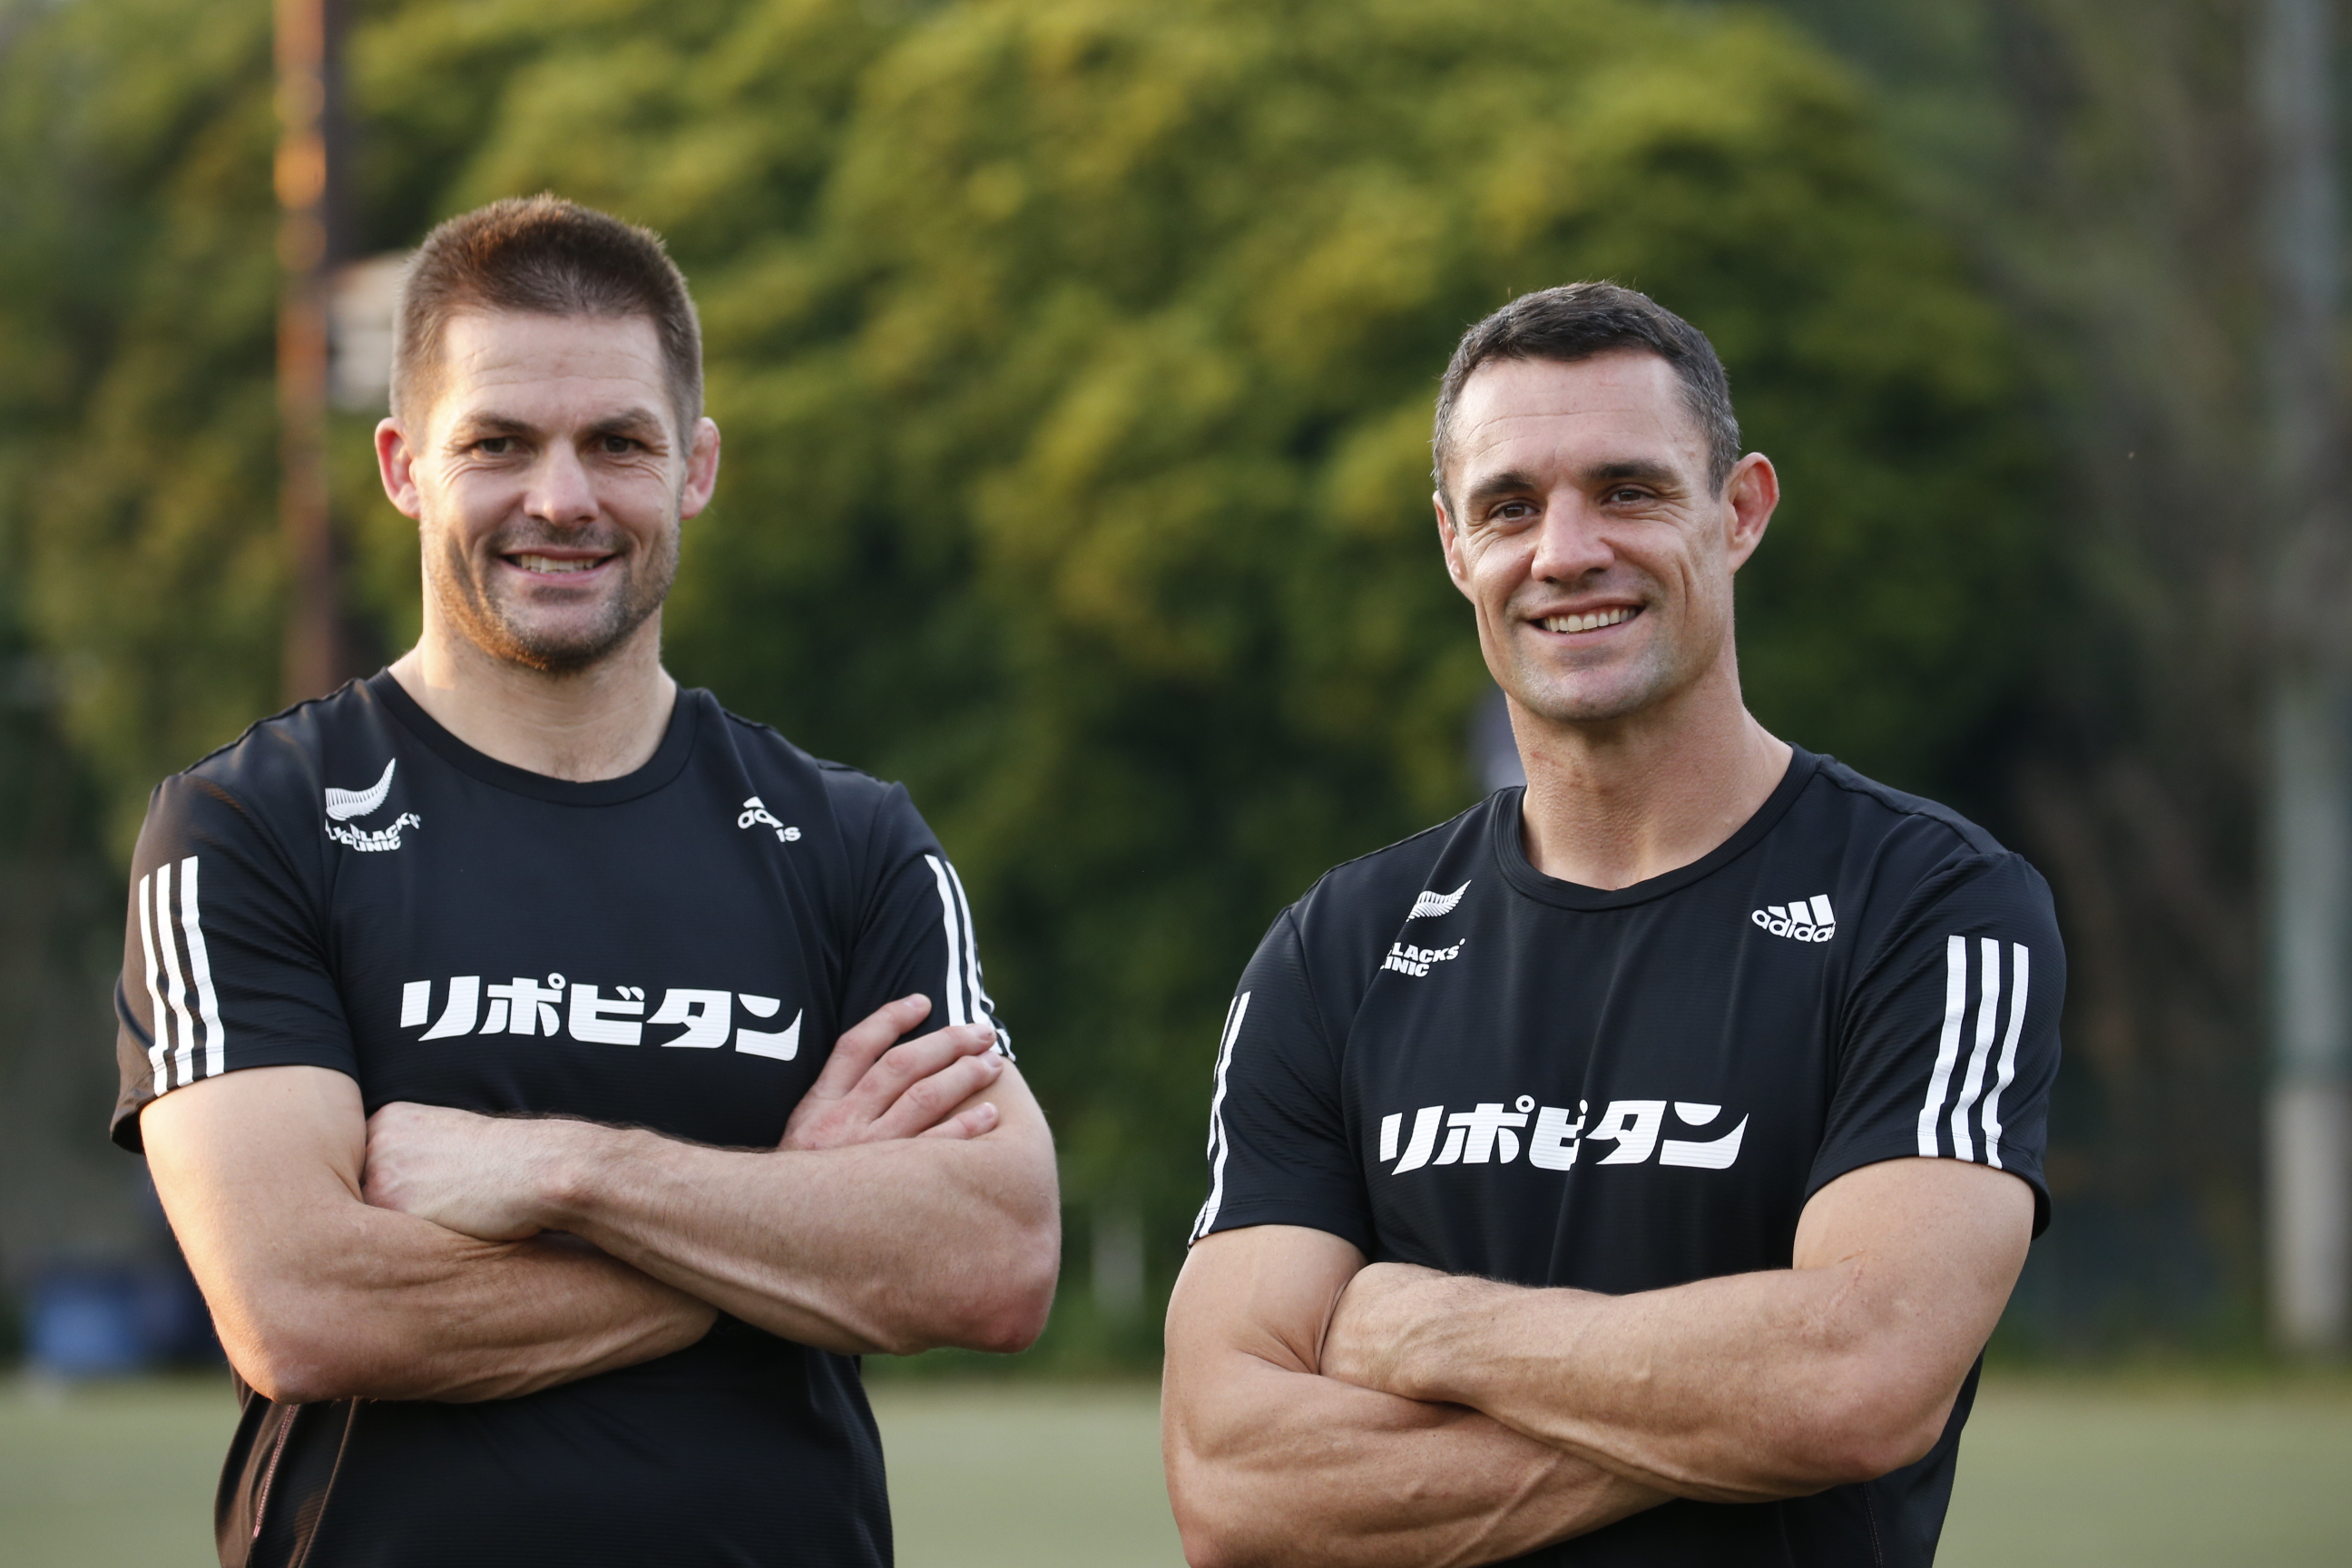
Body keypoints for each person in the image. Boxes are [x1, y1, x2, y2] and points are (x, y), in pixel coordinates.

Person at [111, 195, 1059, 1568]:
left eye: (617, 442)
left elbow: (995, 1260)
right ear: (402, 466)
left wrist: (558, 1170)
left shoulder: (853, 842)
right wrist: (787, 1221)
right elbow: (301, 1306)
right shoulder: (253, 826)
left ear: (696, 469)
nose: (562, 498)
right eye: (498, 443)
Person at [1161, 282, 2062, 1567]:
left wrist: (1427, 1332)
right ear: (1452, 545)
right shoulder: (1336, 951)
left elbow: (1860, 1382)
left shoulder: (1932, 906)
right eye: (1510, 505)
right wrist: (1726, 1413)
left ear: (1739, 510)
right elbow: (1230, 1483)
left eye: (1628, 491)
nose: (1566, 551)